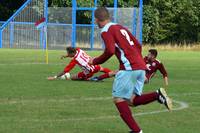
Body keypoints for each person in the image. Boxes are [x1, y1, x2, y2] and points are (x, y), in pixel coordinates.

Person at [89, 7, 172, 133]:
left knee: (118, 99)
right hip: (140, 67)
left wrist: (94, 61)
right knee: (131, 101)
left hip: (129, 68)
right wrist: (139, 64)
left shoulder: (105, 31)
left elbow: (110, 50)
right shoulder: (119, 27)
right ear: (108, 17)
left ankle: (137, 131)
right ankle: (157, 95)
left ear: (96, 19)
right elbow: (138, 45)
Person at [91, 49, 169, 87]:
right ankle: (98, 78)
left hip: (145, 78)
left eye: (149, 54)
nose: (147, 55)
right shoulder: (144, 58)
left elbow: (164, 74)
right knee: (118, 71)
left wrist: (166, 84)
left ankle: (123, 81)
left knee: (134, 77)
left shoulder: (158, 63)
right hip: (136, 72)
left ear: (153, 56)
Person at [47, 47, 111, 81]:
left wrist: (55, 77)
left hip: (89, 72)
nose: (68, 54)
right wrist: (65, 56)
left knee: (73, 77)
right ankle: (115, 74)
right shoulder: (78, 49)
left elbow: (65, 71)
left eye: (68, 53)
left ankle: (92, 79)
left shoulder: (75, 60)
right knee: (102, 69)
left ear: (72, 53)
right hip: (94, 64)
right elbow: (73, 52)